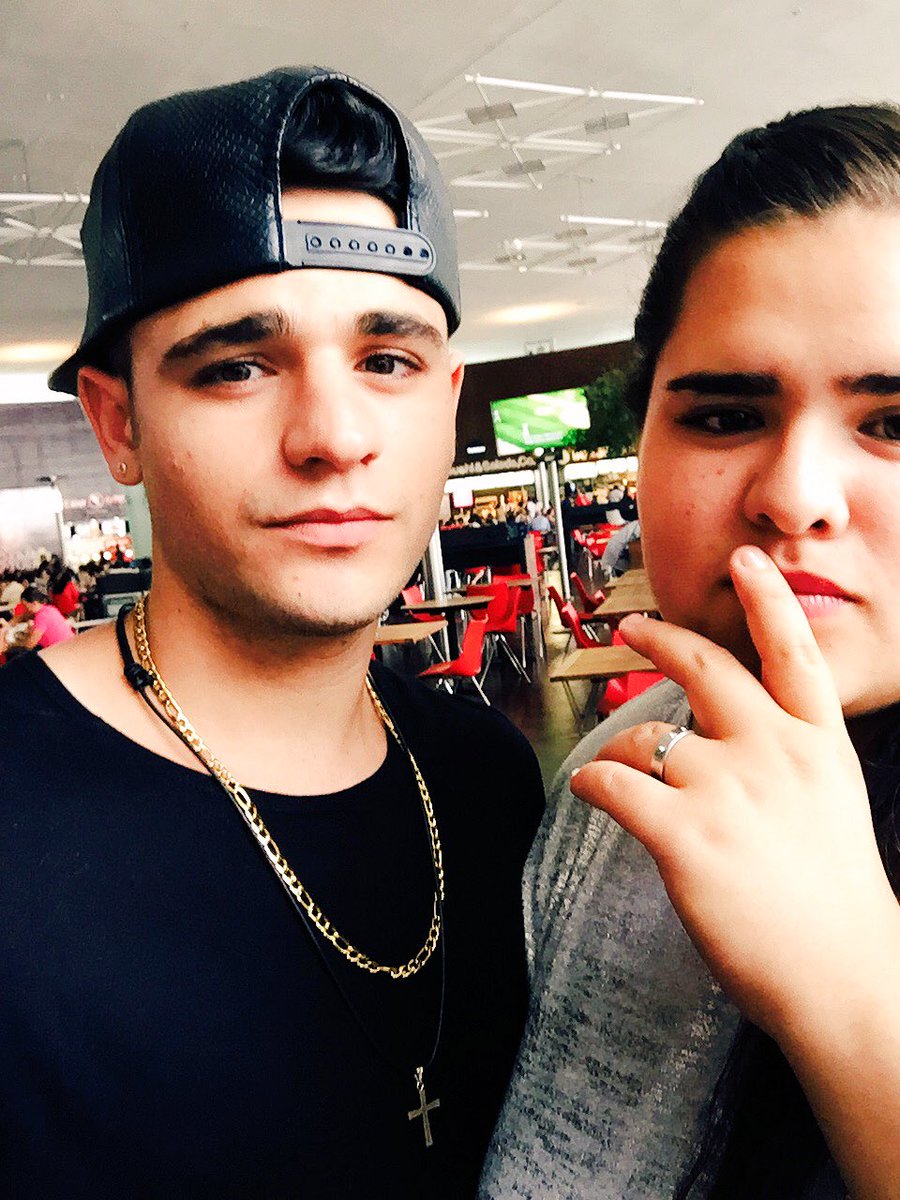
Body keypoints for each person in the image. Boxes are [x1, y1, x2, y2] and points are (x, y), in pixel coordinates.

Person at [0, 67, 544, 1197]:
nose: (334, 436)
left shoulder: (489, 779)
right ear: (117, 422)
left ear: (448, 401)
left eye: (386, 361)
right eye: (237, 367)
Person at [480, 102, 900, 1200]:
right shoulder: (611, 781)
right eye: (723, 416)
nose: (795, 497)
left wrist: (854, 986)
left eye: (894, 425)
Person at [9, 584, 76, 650]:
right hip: (68, 646)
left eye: (26, 606)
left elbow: (30, 644)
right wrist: (12, 623)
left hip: (61, 651)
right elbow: (25, 615)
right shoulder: (48, 608)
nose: (26, 609)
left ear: (34, 603)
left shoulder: (42, 616)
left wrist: (14, 645)